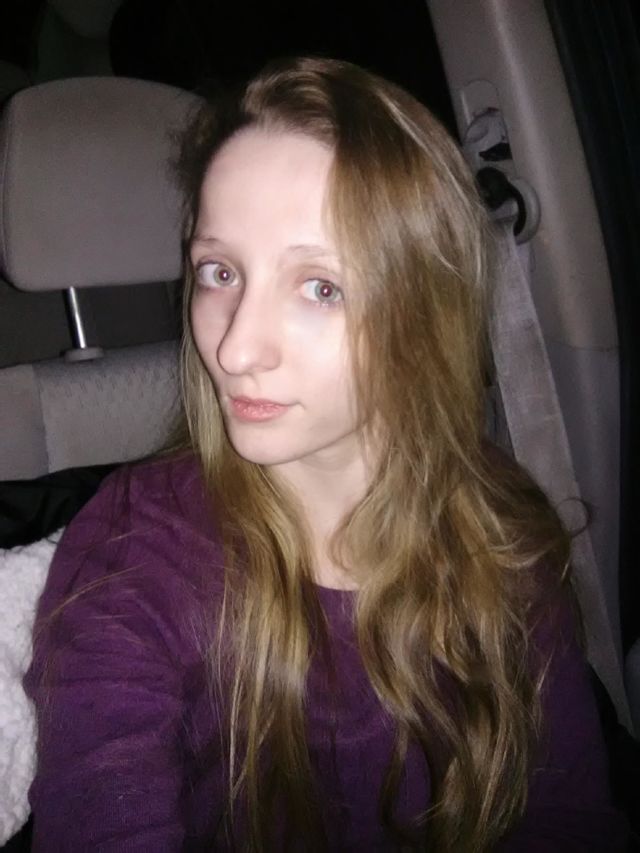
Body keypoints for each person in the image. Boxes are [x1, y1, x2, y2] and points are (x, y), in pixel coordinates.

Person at [23, 57, 627, 851]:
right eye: (219, 272)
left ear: (423, 307)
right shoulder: (133, 552)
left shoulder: (500, 528)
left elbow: (567, 816)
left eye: (320, 287)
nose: (236, 348)